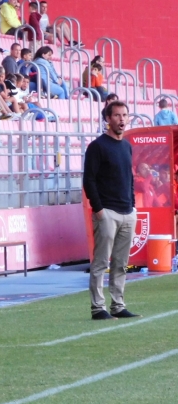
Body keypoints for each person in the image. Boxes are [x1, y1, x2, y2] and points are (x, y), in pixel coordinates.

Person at [83, 101, 141, 321]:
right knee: (100, 262)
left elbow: (129, 178)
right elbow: (89, 179)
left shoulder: (126, 146)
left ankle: (118, 305)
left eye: (125, 115)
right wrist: (98, 209)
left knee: (121, 263)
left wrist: (132, 203)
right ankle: (98, 308)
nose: (122, 119)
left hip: (127, 211)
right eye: (117, 115)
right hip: (107, 211)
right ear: (108, 119)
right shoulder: (97, 146)